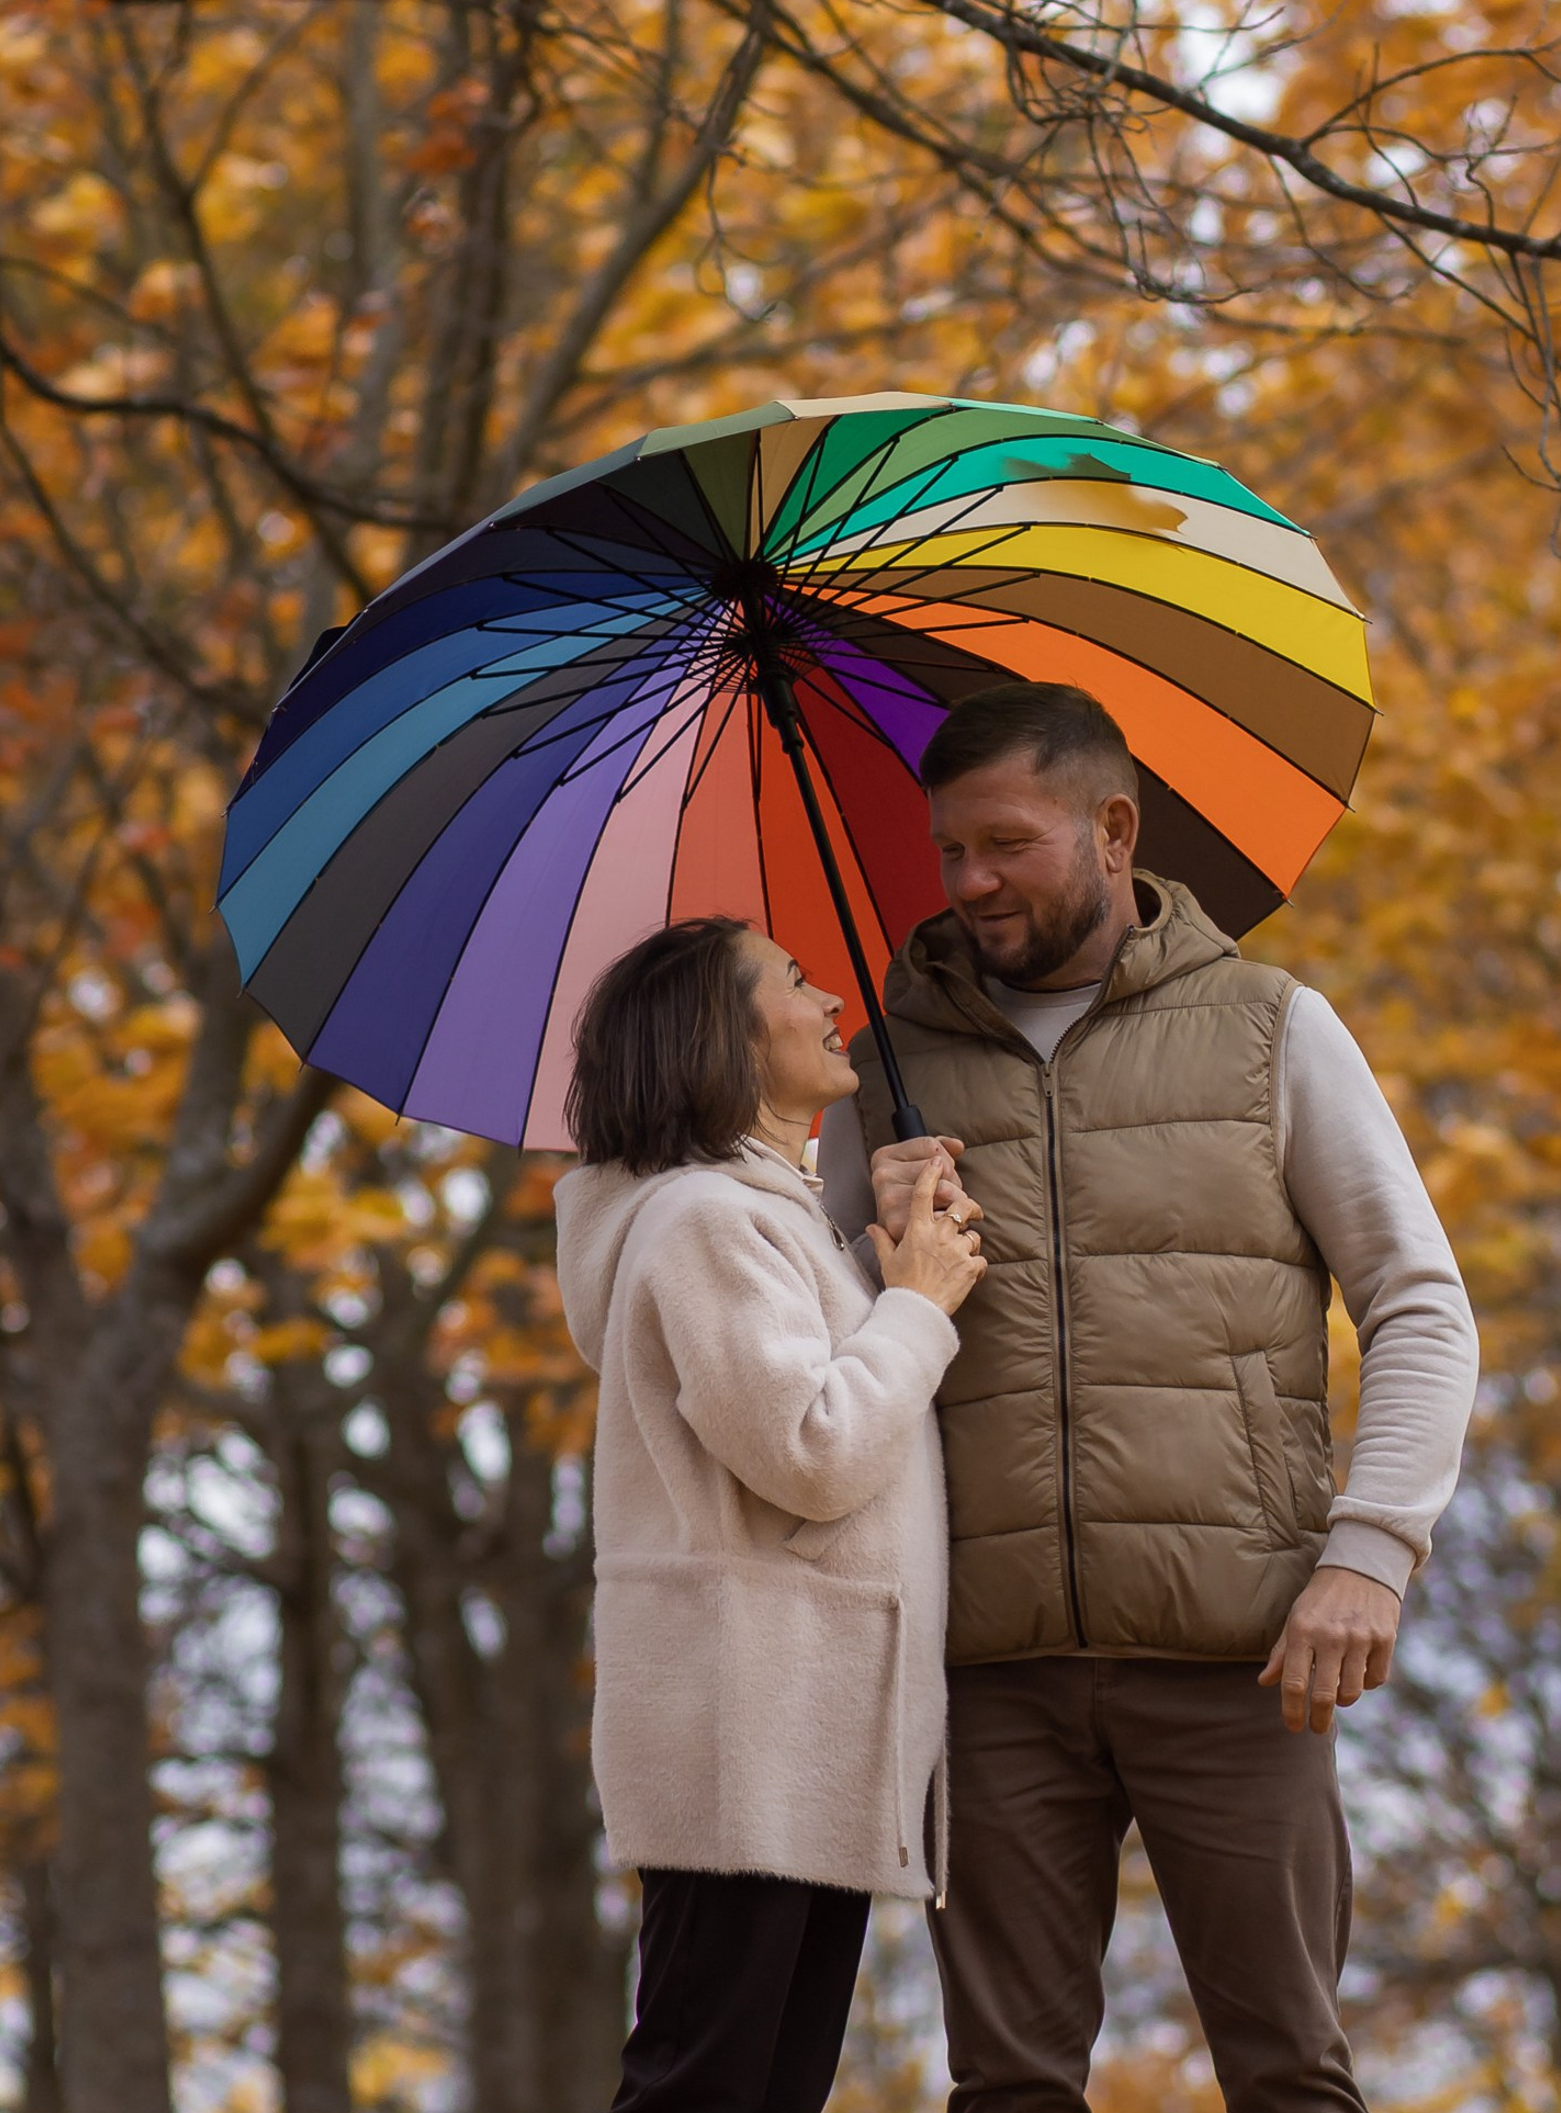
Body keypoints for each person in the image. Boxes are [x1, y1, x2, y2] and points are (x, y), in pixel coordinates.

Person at [818, 682, 1480, 2113]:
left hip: (1241, 1652)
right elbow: (830, 1369)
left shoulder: (1271, 1031)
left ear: (1113, 829)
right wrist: (862, 1253)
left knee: (1292, 2077)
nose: (971, 881)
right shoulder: (876, 1074)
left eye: (1006, 842)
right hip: (982, 1669)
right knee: (1004, 2088)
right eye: (949, 851)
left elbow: (1420, 1303)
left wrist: (1373, 1552)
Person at [556, 915, 987, 2113]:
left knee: (761, 2088)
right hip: (746, 1735)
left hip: (797, 1738)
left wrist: (876, 1250)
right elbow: (809, 1448)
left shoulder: (759, 1216)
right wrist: (918, 1304)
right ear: (725, 1039)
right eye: (794, 981)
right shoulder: (703, 1220)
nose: (831, 997)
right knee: (705, 2085)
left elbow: (789, 1374)